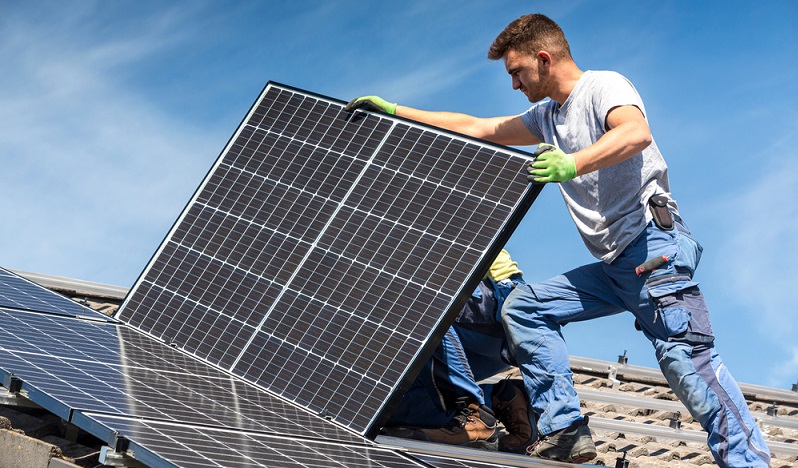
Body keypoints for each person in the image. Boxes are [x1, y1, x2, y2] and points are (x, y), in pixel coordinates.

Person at [346, 13, 770, 467]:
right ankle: (565, 429)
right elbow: (480, 127)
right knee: (525, 307)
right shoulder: (547, 116)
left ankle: (748, 463)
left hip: (653, 254)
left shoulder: (603, 87)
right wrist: (395, 111)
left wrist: (573, 164)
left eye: (516, 72)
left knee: (687, 367)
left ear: (543, 59)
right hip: (613, 267)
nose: (514, 85)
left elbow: (635, 133)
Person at [384, 250, 538, 454]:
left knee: (415, 299)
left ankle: (470, 409)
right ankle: (501, 398)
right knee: (382, 405)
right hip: (461, 340)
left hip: (494, 303)